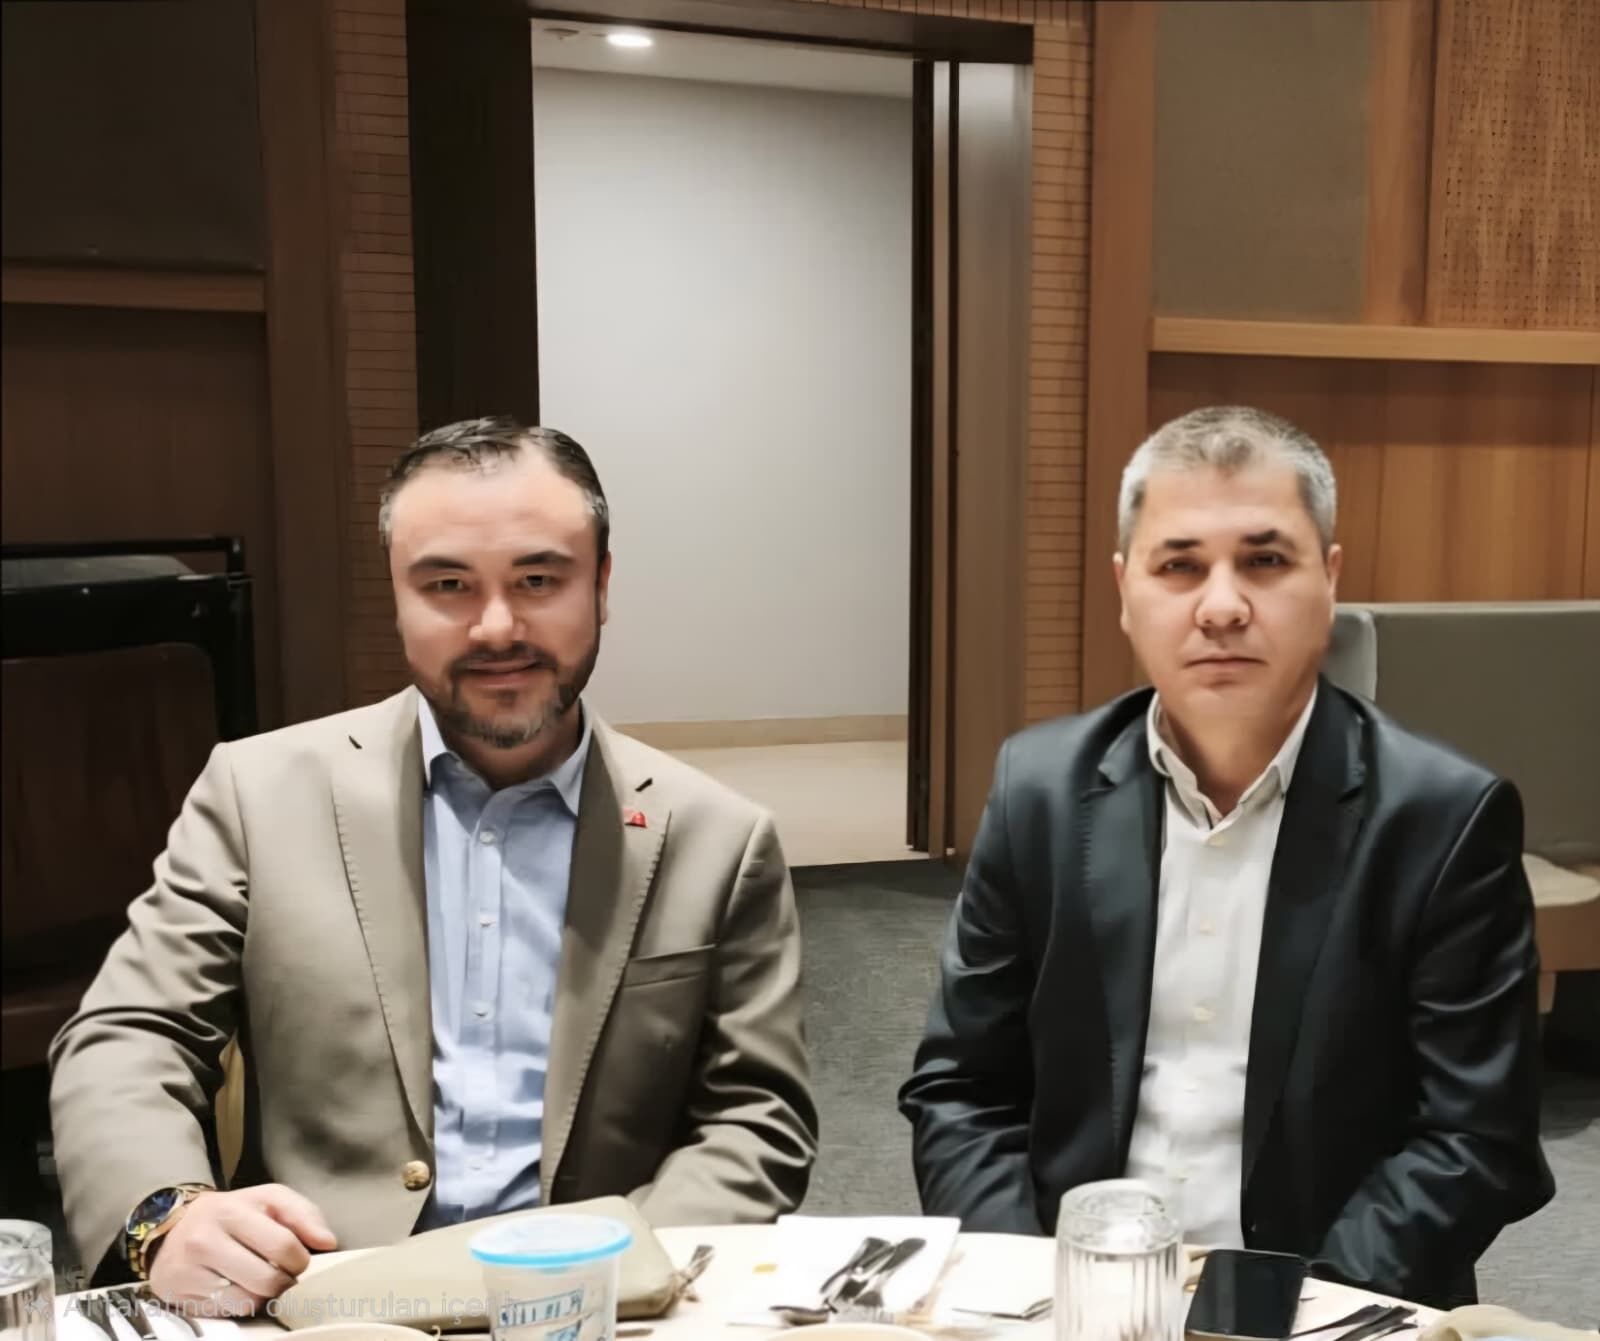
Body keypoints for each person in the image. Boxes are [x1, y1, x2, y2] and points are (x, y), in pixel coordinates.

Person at [50, 416, 818, 1314]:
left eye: (539, 579)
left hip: (600, 1308)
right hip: (321, 1301)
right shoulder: (258, 795)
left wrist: (618, 1270)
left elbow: (755, 1117)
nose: (497, 627)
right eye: (448, 584)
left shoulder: (717, 837)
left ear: (602, 585)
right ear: (397, 594)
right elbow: (129, 1034)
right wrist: (168, 1215)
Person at [898, 406, 1553, 1306]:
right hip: (1068, 1294)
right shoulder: (1038, 790)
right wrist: (1030, 1290)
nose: (1221, 605)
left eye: (1265, 560)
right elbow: (962, 1088)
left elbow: (1475, 1136)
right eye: (1179, 566)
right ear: (1125, 590)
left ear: (1329, 580)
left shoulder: (1442, 817)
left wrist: (1282, 1313)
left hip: (1334, 1302)